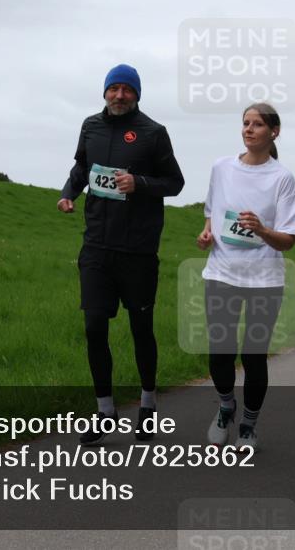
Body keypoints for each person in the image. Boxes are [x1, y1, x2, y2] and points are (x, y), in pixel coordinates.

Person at [58, 64, 185, 445]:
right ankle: (105, 411)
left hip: (138, 250)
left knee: (140, 329)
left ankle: (147, 404)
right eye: (113, 89)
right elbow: (82, 167)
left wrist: (140, 183)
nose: (119, 95)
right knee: (95, 327)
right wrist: (68, 193)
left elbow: (175, 183)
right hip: (96, 245)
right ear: (104, 93)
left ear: (137, 94)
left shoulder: (154, 133)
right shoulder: (90, 127)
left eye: (126, 90)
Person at [196, 103, 295, 451]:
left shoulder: (282, 178)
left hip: (264, 280)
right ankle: (226, 407)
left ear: (274, 132)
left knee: (254, 356)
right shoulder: (221, 167)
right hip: (221, 273)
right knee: (220, 351)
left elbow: (287, 240)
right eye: (245, 123)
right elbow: (212, 213)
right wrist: (206, 233)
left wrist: (261, 228)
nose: (249, 129)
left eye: (257, 124)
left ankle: (248, 427)